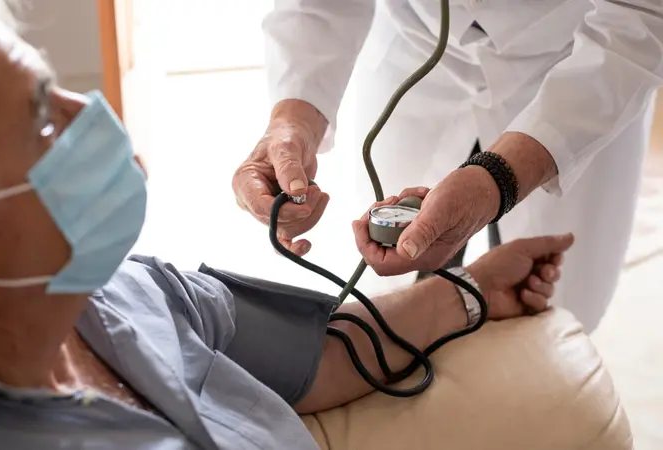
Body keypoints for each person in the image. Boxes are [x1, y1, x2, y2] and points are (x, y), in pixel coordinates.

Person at [0, 1, 575, 449]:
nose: (99, 119)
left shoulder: (124, 293)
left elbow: (316, 355)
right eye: (42, 119)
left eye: (53, 87)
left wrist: (472, 291)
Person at [232, 0, 663, 333]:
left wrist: (498, 180)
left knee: (556, 308)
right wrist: (293, 120)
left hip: (580, 64)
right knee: (395, 294)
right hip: (415, 46)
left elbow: (642, 16)